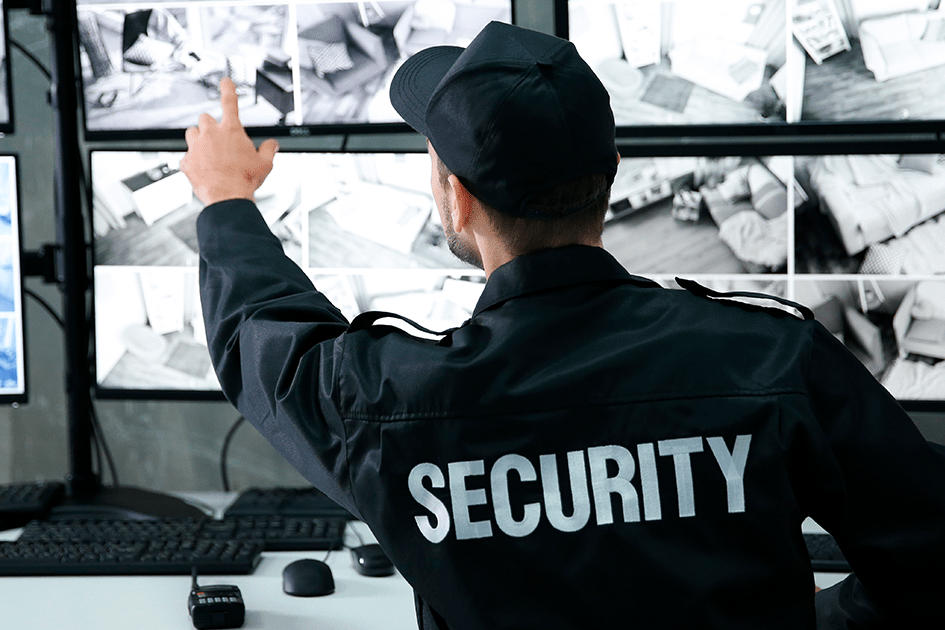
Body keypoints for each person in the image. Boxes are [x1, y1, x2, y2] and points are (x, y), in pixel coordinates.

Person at [181, 21, 945, 630]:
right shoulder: (778, 359)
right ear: (608, 171)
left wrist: (225, 201)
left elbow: (265, 345)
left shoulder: (386, 399)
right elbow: (926, 559)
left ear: (458, 200)